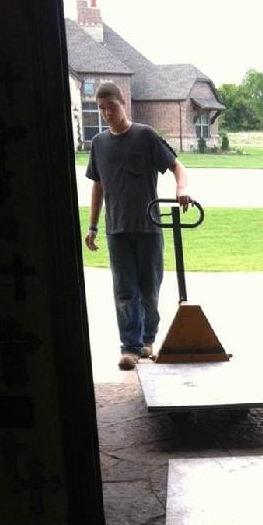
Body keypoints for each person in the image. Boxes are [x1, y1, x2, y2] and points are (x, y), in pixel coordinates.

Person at [84, 81, 191, 370]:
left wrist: (181, 188)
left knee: (149, 290)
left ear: (124, 104)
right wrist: (92, 226)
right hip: (116, 229)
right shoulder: (99, 144)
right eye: (101, 108)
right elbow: (98, 187)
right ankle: (129, 347)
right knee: (124, 290)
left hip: (148, 227)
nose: (107, 113)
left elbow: (176, 166)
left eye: (112, 106)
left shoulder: (144, 136)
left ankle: (147, 342)